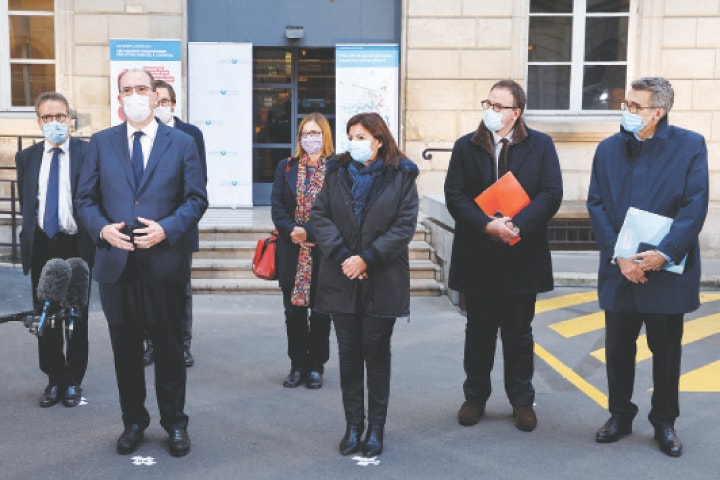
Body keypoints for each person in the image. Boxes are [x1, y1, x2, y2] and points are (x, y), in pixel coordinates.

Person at [76, 68, 208, 457]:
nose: (134, 95)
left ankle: (175, 424)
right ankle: (133, 422)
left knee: (169, 350)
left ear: (156, 96)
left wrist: (167, 229)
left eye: (142, 89)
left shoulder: (182, 143)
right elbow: (85, 200)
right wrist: (102, 229)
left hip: (164, 263)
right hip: (117, 266)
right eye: (126, 90)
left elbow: (196, 198)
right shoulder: (100, 143)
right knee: (126, 354)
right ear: (119, 100)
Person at [587, 77, 708, 458]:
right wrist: (618, 255)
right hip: (620, 269)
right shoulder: (607, 149)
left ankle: (664, 422)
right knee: (618, 349)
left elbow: (694, 206)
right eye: (626, 104)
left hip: (666, 270)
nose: (627, 111)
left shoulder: (690, 146)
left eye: (635, 107)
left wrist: (664, 253)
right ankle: (620, 416)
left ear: (659, 112)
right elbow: (596, 204)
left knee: (666, 352)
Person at [444, 79, 563, 433]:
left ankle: (522, 401)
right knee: (478, 331)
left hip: (521, 255)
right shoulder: (466, 146)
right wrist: (486, 225)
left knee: (518, 333)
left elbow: (551, 193)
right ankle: (475, 397)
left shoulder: (540, 145)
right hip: (479, 253)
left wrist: (518, 225)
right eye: (487, 104)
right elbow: (455, 195)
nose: (490, 111)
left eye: (498, 107)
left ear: (516, 112)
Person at [312, 112, 419, 457]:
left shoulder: (401, 175)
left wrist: (367, 259)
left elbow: (404, 226)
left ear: (379, 140)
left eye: (361, 137)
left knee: (376, 353)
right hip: (341, 275)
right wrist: (346, 256)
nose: (354, 143)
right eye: (351, 136)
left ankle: (376, 428)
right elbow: (319, 216)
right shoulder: (336, 172)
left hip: (381, 277)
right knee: (348, 355)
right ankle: (353, 425)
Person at [15, 92, 95, 408]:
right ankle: (54, 379)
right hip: (42, 245)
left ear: (69, 120)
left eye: (60, 116)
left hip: (76, 244)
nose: (54, 123)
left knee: (76, 316)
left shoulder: (88, 153)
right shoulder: (27, 157)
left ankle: (74, 380)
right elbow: (29, 204)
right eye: (47, 118)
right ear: (39, 122)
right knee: (45, 317)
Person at [140, 79, 208, 368]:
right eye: (156, 101)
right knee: (146, 288)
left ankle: (182, 344)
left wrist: (175, 223)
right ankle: (151, 343)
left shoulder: (190, 135)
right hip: (144, 227)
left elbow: (198, 184)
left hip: (179, 227)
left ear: (173, 104)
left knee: (180, 289)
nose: (160, 106)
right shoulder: (140, 134)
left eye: (165, 101)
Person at [271, 112, 333, 389]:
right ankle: (297, 365)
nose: (310, 138)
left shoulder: (337, 168)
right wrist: (292, 231)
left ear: (325, 136)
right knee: (293, 312)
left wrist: (311, 232)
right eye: (305, 133)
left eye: (315, 133)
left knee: (321, 312)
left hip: (324, 251)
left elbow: (339, 211)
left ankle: (316, 366)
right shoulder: (286, 166)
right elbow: (277, 207)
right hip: (292, 250)